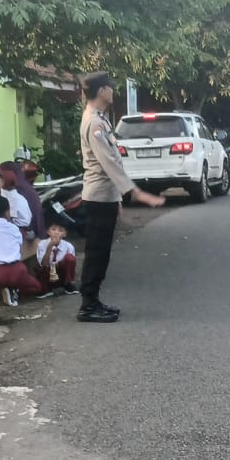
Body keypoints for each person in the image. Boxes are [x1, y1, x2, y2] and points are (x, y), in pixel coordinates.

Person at [78, 72, 163, 324]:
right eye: (110, 87)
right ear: (101, 90)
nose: (112, 92)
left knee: (101, 253)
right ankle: (88, 305)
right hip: (97, 197)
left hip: (105, 197)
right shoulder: (94, 123)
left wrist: (116, 199)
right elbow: (109, 164)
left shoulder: (100, 119)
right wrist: (135, 193)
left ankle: (93, 301)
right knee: (96, 253)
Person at [33, 221, 78, 298]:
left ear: (64, 234)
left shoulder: (68, 246)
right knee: (39, 268)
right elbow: (43, 264)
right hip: (47, 273)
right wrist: (50, 246)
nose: (56, 233)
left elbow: (71, 265)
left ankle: (68, 284)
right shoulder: (42, 244)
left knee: (70, 258)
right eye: (53, 229)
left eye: (60, 230)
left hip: (61, 274)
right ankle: (46, 289)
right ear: (48, 232)